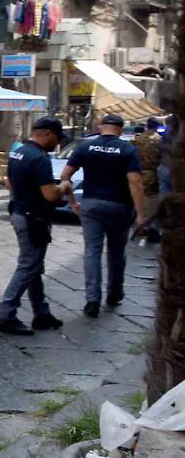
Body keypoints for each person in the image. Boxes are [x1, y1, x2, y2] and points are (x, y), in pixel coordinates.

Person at [0, 117, 73, 336]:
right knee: (28, 267)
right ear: (48, 134)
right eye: (57, 138)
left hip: (19, 212)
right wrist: (64, 186)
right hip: (33, 218)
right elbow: (49, 194)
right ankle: (6, 315)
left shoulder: (18, 152)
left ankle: (41, 313)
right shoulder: (40, 158)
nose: (57, 144)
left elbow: (8, 181)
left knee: (34, 267)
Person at [61, 113, 144, 317]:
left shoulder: (85, 147)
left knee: (92, 251)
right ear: (121, 129)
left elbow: (65, 176)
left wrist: (73, 202)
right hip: (119, 206)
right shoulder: (127, 149)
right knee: (116, 252)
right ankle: (114, 293)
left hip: (90, 204)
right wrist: (141, 214)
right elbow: (135, 182)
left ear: (100, 127)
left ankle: (92, 300)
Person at [132, 118, 161, 198]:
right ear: (157, 127)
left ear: (147, 126)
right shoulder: (159, 140)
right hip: (153, 174)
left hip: (137, 172)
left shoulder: (136, 138)